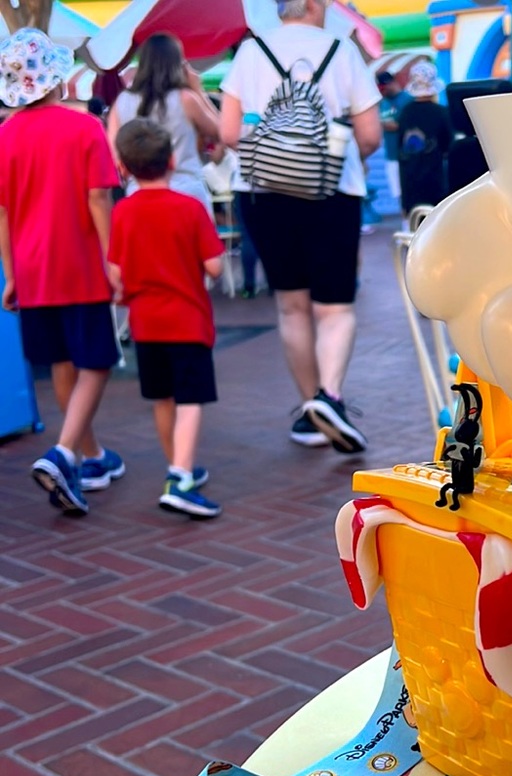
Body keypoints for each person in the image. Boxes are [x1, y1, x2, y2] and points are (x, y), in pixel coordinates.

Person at [219, 0, 381, 454]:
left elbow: (229, 133)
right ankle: (331, 397)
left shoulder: (250, 53)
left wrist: (277, 154)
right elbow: (369, 135)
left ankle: (310, 409)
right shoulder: (341, 50)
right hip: (332, 191)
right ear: (313, 4)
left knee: (292, 306)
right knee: (334, 307)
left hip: (262, 191)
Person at [0, 28, 124, 516]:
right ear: (56, 78)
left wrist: (10, 273)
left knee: (60, 362)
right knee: (95, 360)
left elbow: (4, 213)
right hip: (80, 262)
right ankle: (65, 452)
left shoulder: (5, 136)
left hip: (30, 267)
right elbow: (99, 197)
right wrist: (114, 260)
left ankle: (89, 454)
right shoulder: (83, 127)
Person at [108, 118, 225, 518]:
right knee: (191, 399)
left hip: (146, 323)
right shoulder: (189, 208)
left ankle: (180, 465)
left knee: (162, 398)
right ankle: (180, 476)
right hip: (187, 321)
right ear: (173, 159)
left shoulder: (122, 213)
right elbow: (214, 267)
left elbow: (117, 275)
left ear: (124, 166)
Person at [108, 33, 220, 216]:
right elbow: (219, 131)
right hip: (187, 191)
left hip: (139, 194)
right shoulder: (185, 98)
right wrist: (199, 91)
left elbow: (115, 153)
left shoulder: (122, 101)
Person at [397, 62, 453, 217]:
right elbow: (448, 146)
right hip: (436, 183)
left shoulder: (405, 113)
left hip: (411, 182)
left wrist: (404, 201)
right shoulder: (441, 113)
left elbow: (401, 152)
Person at [376, 70, 411, 210]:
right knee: (397, 193)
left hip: (406, 154)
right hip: (390, 154)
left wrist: (392, 125)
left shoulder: (406, 100)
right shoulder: (383, 103)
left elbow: (405, 125)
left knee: (408, 191)